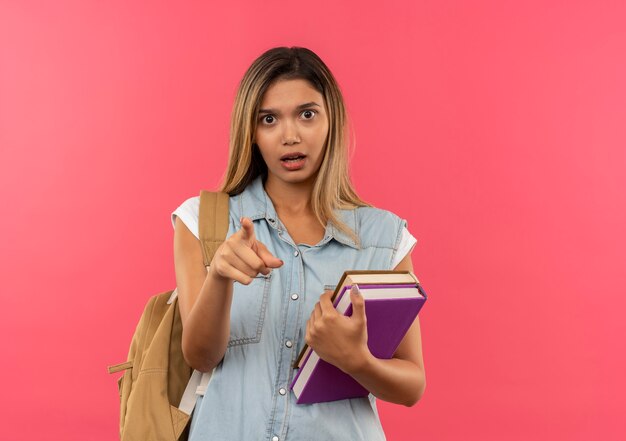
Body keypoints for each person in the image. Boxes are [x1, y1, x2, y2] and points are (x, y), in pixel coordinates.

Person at [171, 46, 425, 441]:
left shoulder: (384, 239)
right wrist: (219, 276)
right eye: (269, 119)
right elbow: (200, 356)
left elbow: (412, 384)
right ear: (251, 132)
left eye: (307, 114)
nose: (290, 136)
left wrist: (357, 361)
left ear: (331, 120)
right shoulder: (203, 222)